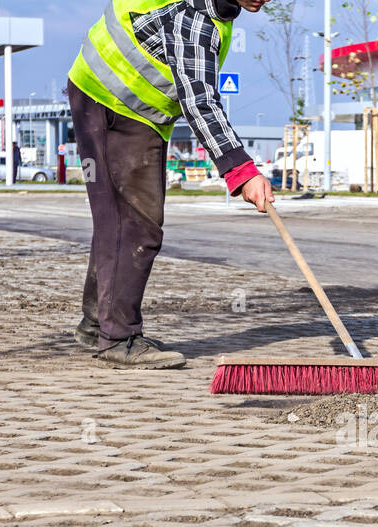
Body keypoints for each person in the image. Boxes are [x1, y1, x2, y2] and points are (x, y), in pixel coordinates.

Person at [67, 0, 274, 369]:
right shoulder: (196, 18)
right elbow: (200, 102)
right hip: (115, 106)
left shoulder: (214, 11)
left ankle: (98, 324)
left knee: (116, 222)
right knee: (136, 226)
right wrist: (241, 171)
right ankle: (117, 338)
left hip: (109, 98)